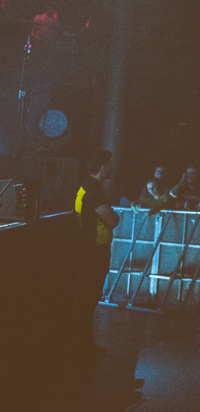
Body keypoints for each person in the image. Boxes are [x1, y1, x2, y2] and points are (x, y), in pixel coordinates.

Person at [75, 150, 119, 354]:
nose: (111, 167)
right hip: (95, 251)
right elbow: (112, 219)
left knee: (86, 297)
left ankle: (83, 342)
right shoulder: (94, 191)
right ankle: (84, 344)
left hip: (86, 249)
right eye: (108, 163)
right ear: (102, 166)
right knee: (90, 297)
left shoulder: (85, 187)